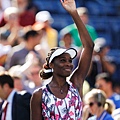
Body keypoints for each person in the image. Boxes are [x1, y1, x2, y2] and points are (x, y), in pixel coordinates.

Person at [30, 0, 94, 119]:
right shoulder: (39, 94)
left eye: (70, 61)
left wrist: (74, 13)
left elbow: (89, 46)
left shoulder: (76, 83)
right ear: (51, 65)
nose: (68, 64)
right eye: (62, 60)